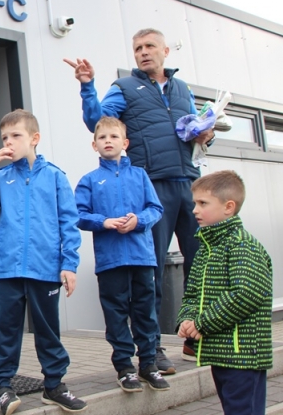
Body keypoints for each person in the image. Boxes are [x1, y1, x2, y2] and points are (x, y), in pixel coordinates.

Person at [64, 28, 215, 374]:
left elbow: (198, 130)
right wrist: (87, 86)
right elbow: (98, 121)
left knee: (201, 264)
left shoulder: (183, 89)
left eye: (149, 46)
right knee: (154, 269)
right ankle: (154, 348)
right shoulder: (125, 87)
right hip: (154, 184)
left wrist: (207, 134)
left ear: (165, 50)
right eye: (137, 48)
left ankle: (195, 337)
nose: (143, 52)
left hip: (189, 183)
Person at [0, 109, 87, 415]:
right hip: (8, 269)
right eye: (4, 137)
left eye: (15, 136)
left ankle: (54, 385)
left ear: (34, 138)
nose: (8, 142)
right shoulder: (1, 176)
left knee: (48, 330)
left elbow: (68, 223)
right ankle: (1, 386)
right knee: (7, 330)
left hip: (45, 268)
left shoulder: (55, 177)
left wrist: (69, 264)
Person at [75, 116, 170, 393]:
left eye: (114, 136)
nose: (108, 141)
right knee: (115, 314)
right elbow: (78, 215)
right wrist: (104, 222)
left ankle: (149, 364)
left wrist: (139, 221)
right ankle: (125, 368)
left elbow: (156, 209)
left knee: (145, 312)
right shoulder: (89, 181)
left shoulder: (140, 175)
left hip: (142, 257)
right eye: (102, 137)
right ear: (94, 145)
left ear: (125, 143)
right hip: (110, 261)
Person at [177, 170, 272, 415]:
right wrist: (186, 320)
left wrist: (202, 323)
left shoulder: (241, 244)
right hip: (221, 351)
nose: (195, 210)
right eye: (195, 203)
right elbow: (193, 292)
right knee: (235, 414)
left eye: (203, 203)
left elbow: (245, 294)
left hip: (243, 355)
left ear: (229, 207)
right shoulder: (208, 247)